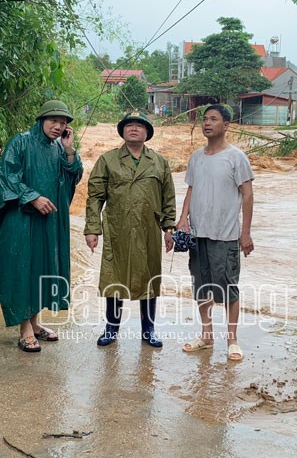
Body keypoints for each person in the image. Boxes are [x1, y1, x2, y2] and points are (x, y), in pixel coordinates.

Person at [0, 100, 82, 352]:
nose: (57, 126)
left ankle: (36, 323)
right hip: (21, 219)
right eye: (54, 121)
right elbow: (6, 176)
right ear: (41, 120)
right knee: (22, 269)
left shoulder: (59, 148)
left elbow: (73, 175)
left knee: (42, 268)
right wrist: (32, 196)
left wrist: (70, 149)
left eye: (63, 124)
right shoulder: (20, 142)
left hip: (48, 221)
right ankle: (25, 329)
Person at [85, 111, 176, 348]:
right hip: (118, 230)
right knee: (114, 278)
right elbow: (94, 197)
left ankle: (149, 331)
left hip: (149, 231)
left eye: (139, 125)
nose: (133, 128)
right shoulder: (107, 160)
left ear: (147, 133)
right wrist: (92, 229)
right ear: (123, 131)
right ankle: (111, 329)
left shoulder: (159, 162)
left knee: (149, 280)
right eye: (129, 125)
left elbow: (168, 198)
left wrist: (169, 229)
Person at [177, 104, 255, 361]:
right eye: (205, 119)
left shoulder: (236, 157)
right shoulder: (196, 157)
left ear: (226, 125)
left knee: (229, 287)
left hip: (226, 234)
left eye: (213, 119)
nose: (207, 123)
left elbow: (247, 195)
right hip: (199, 234)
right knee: (201, 286)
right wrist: (182, 220)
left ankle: (232, 340)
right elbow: (190, 190)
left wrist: (246, 233)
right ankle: (206, 335)